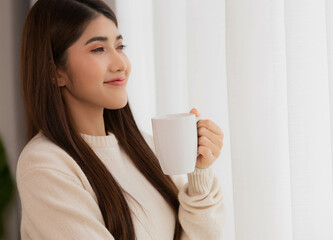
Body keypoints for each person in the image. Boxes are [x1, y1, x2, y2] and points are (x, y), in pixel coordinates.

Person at [16, 0, 225, 239]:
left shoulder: (148, 149)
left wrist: (199, 171)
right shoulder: (45, 166)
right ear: (55, 72)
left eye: (120, 46)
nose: (120, 64)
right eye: (98, 49)